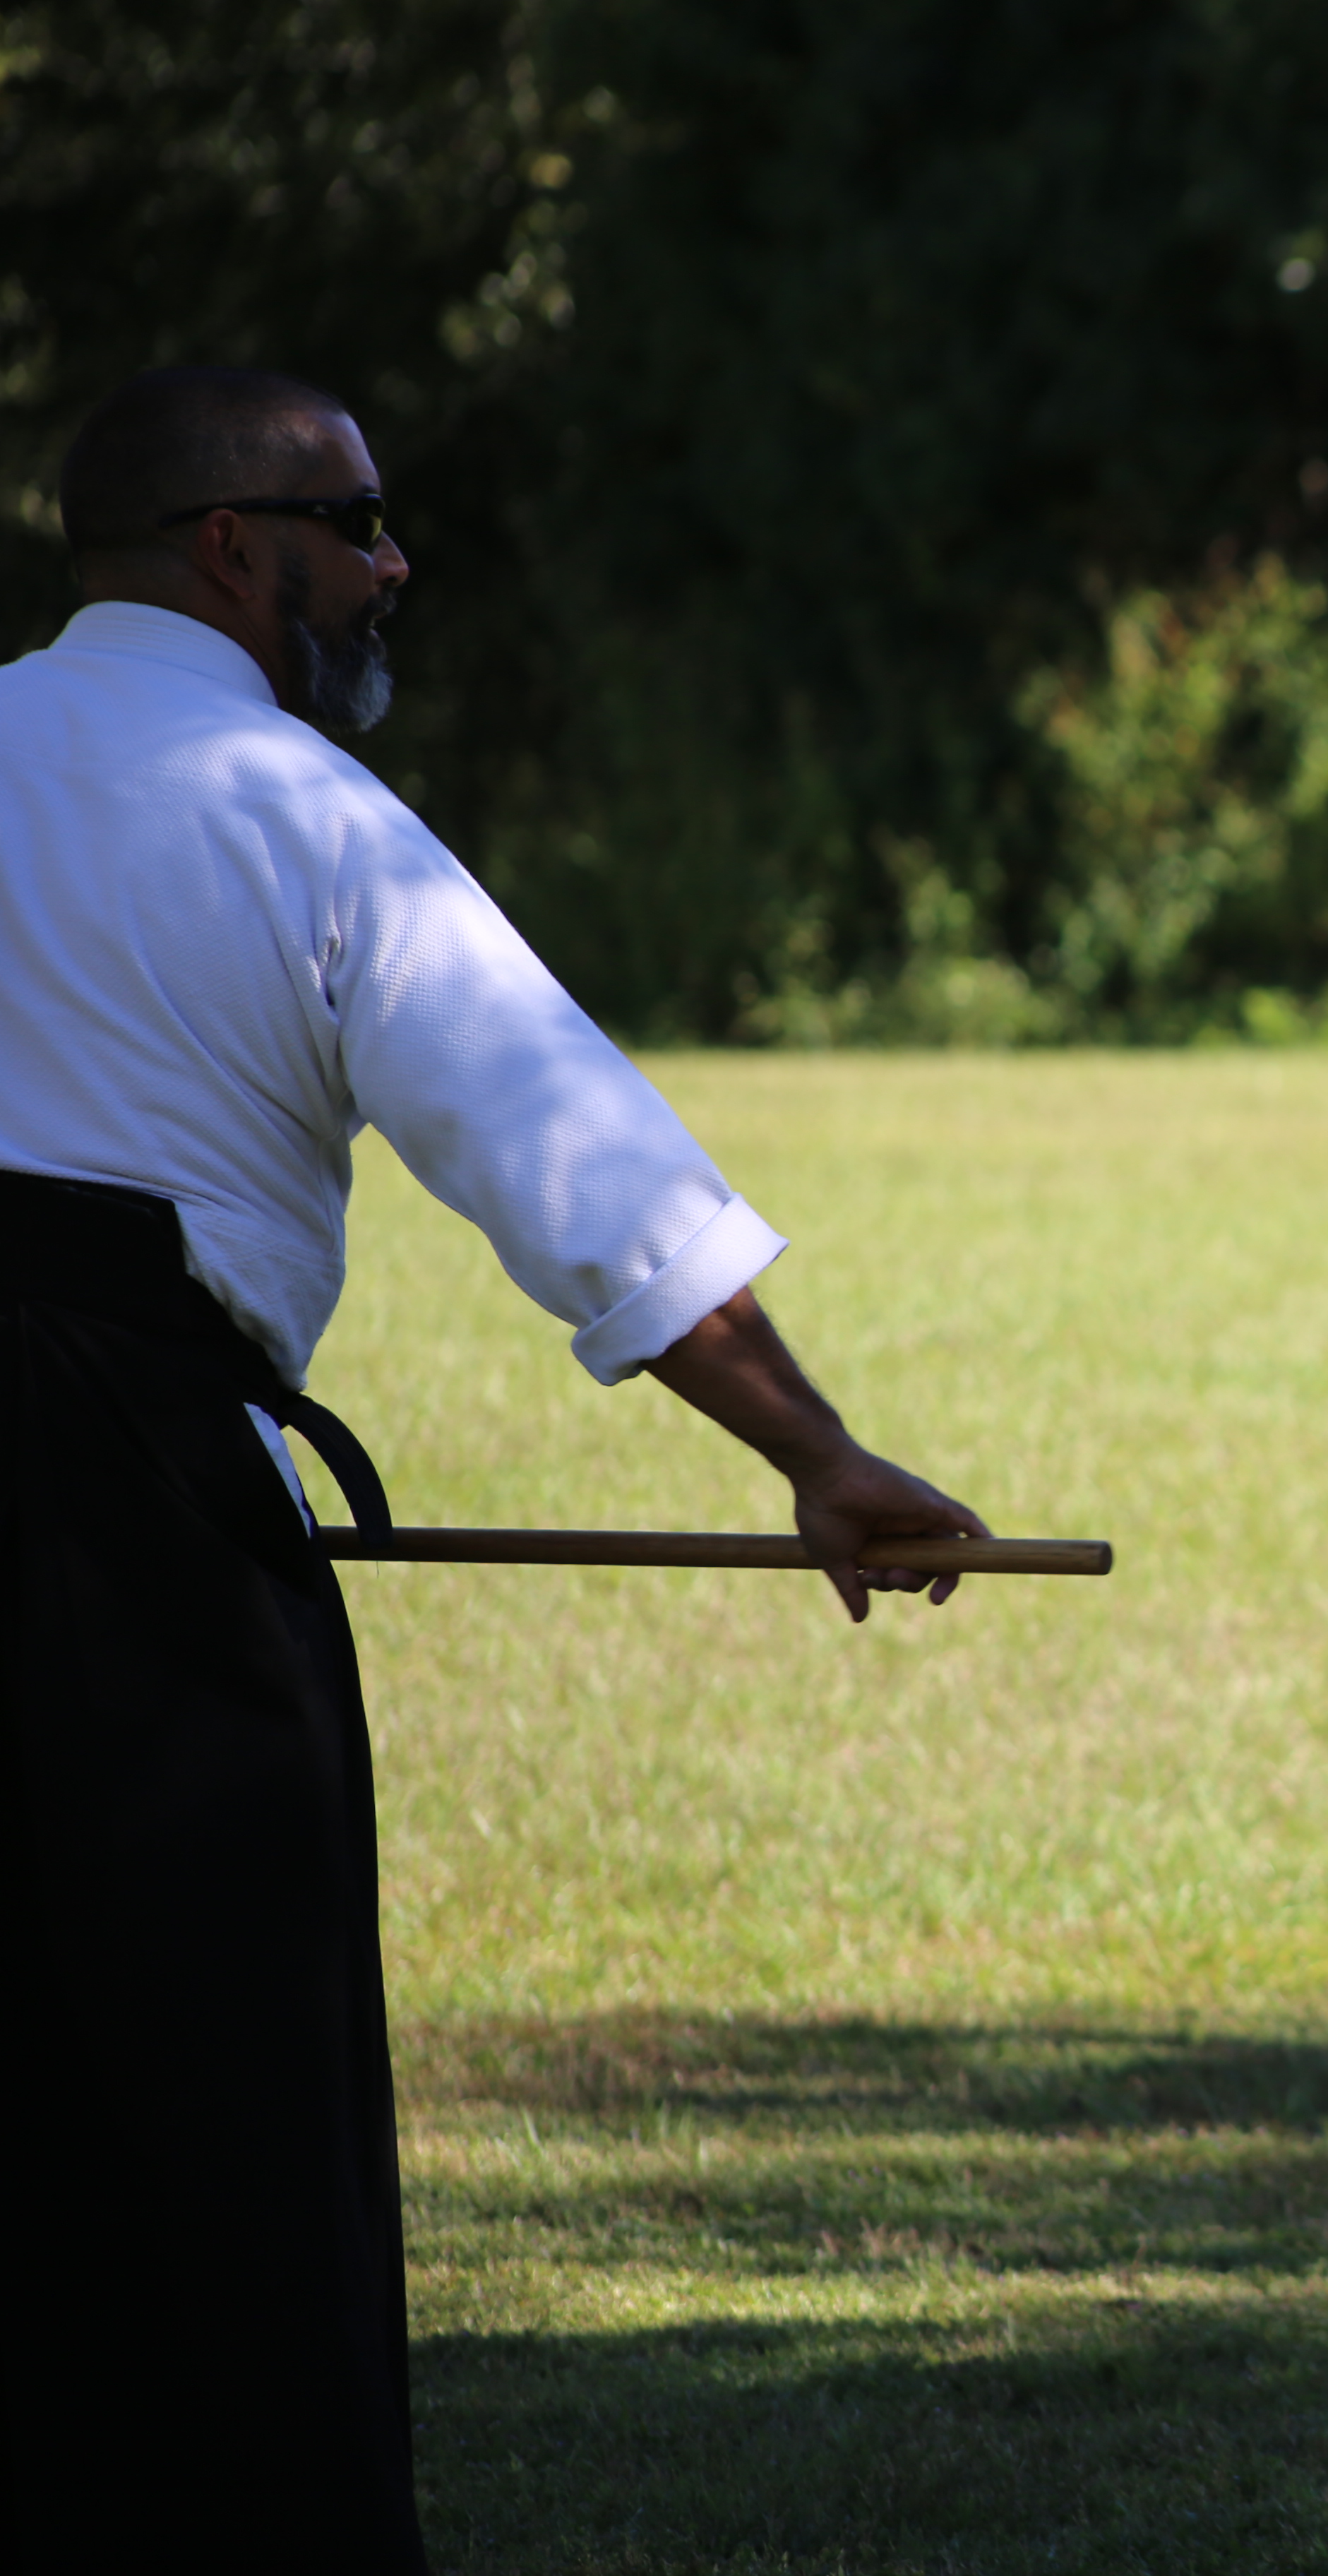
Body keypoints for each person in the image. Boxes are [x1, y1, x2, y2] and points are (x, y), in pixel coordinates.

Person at [2, 367, 988, 2571]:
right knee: (220, 2132)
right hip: (130, 1522)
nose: (393, 561)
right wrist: (817, 1454)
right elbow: (579, 1168)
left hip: (128, 1456)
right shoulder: (302, 815)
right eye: (354, 521)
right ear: (231, 548)